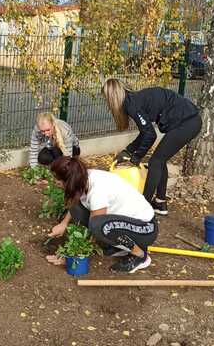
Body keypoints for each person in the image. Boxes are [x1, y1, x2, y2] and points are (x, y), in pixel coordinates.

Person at [102, 78, 202, 215]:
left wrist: (136, 157)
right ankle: (160, 203)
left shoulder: (131, 105)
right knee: (160, 160)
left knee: (156, 161)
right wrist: (128, 151)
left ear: (111, 97)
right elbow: (145, 132)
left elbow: (150, 135)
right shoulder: (133, 100)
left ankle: (142, 206)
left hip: (187, 122)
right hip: (189, 120)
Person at [46, 157, 158, 273]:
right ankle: (116, 247)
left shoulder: (97, 192)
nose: (55, 182)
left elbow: (96, 227)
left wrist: (72, 255)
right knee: (77, 209)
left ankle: (140, 256)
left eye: (57, 179)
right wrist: (63, 224)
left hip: (145, 228)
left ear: (69, 181)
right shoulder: (82, 177)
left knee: (98, 225)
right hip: (126, 223)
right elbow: (75, 204)